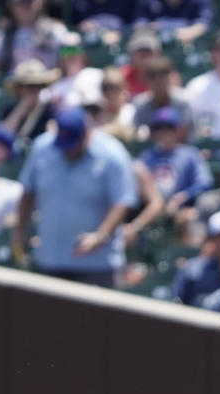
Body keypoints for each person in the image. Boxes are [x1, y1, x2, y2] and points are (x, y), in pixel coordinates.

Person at [16, 106, 137, 288]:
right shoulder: (43, 148)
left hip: (96, 266)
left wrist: (101, 235)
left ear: (87, 133)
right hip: (50, 259)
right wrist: (20, 230)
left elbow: (123, 201)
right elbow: (28, 191)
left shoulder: (112, 155)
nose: (68, 150)